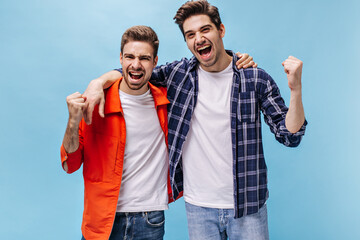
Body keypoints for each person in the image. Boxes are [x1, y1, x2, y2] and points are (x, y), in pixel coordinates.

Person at [82, 1, 307, 239]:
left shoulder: (254, 78)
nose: (198, 38)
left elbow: (290, 135)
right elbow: (134, 72)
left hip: (248, 204)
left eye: (205, 30)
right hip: (198, 207)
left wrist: (296, 90)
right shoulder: (179, 75)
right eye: (190, 34)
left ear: (221, 30)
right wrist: (97, 83)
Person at [60, 26, 175, 240]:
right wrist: (73, 122)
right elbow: (70, 164)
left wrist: (237, 60)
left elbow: (205, 72)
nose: (136, 64)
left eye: (144, 58)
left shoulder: (167, 102)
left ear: (155, 62)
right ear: (120, 58)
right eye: (130, 56)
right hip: (102, 220)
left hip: (150, 219)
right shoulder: (95, 101)